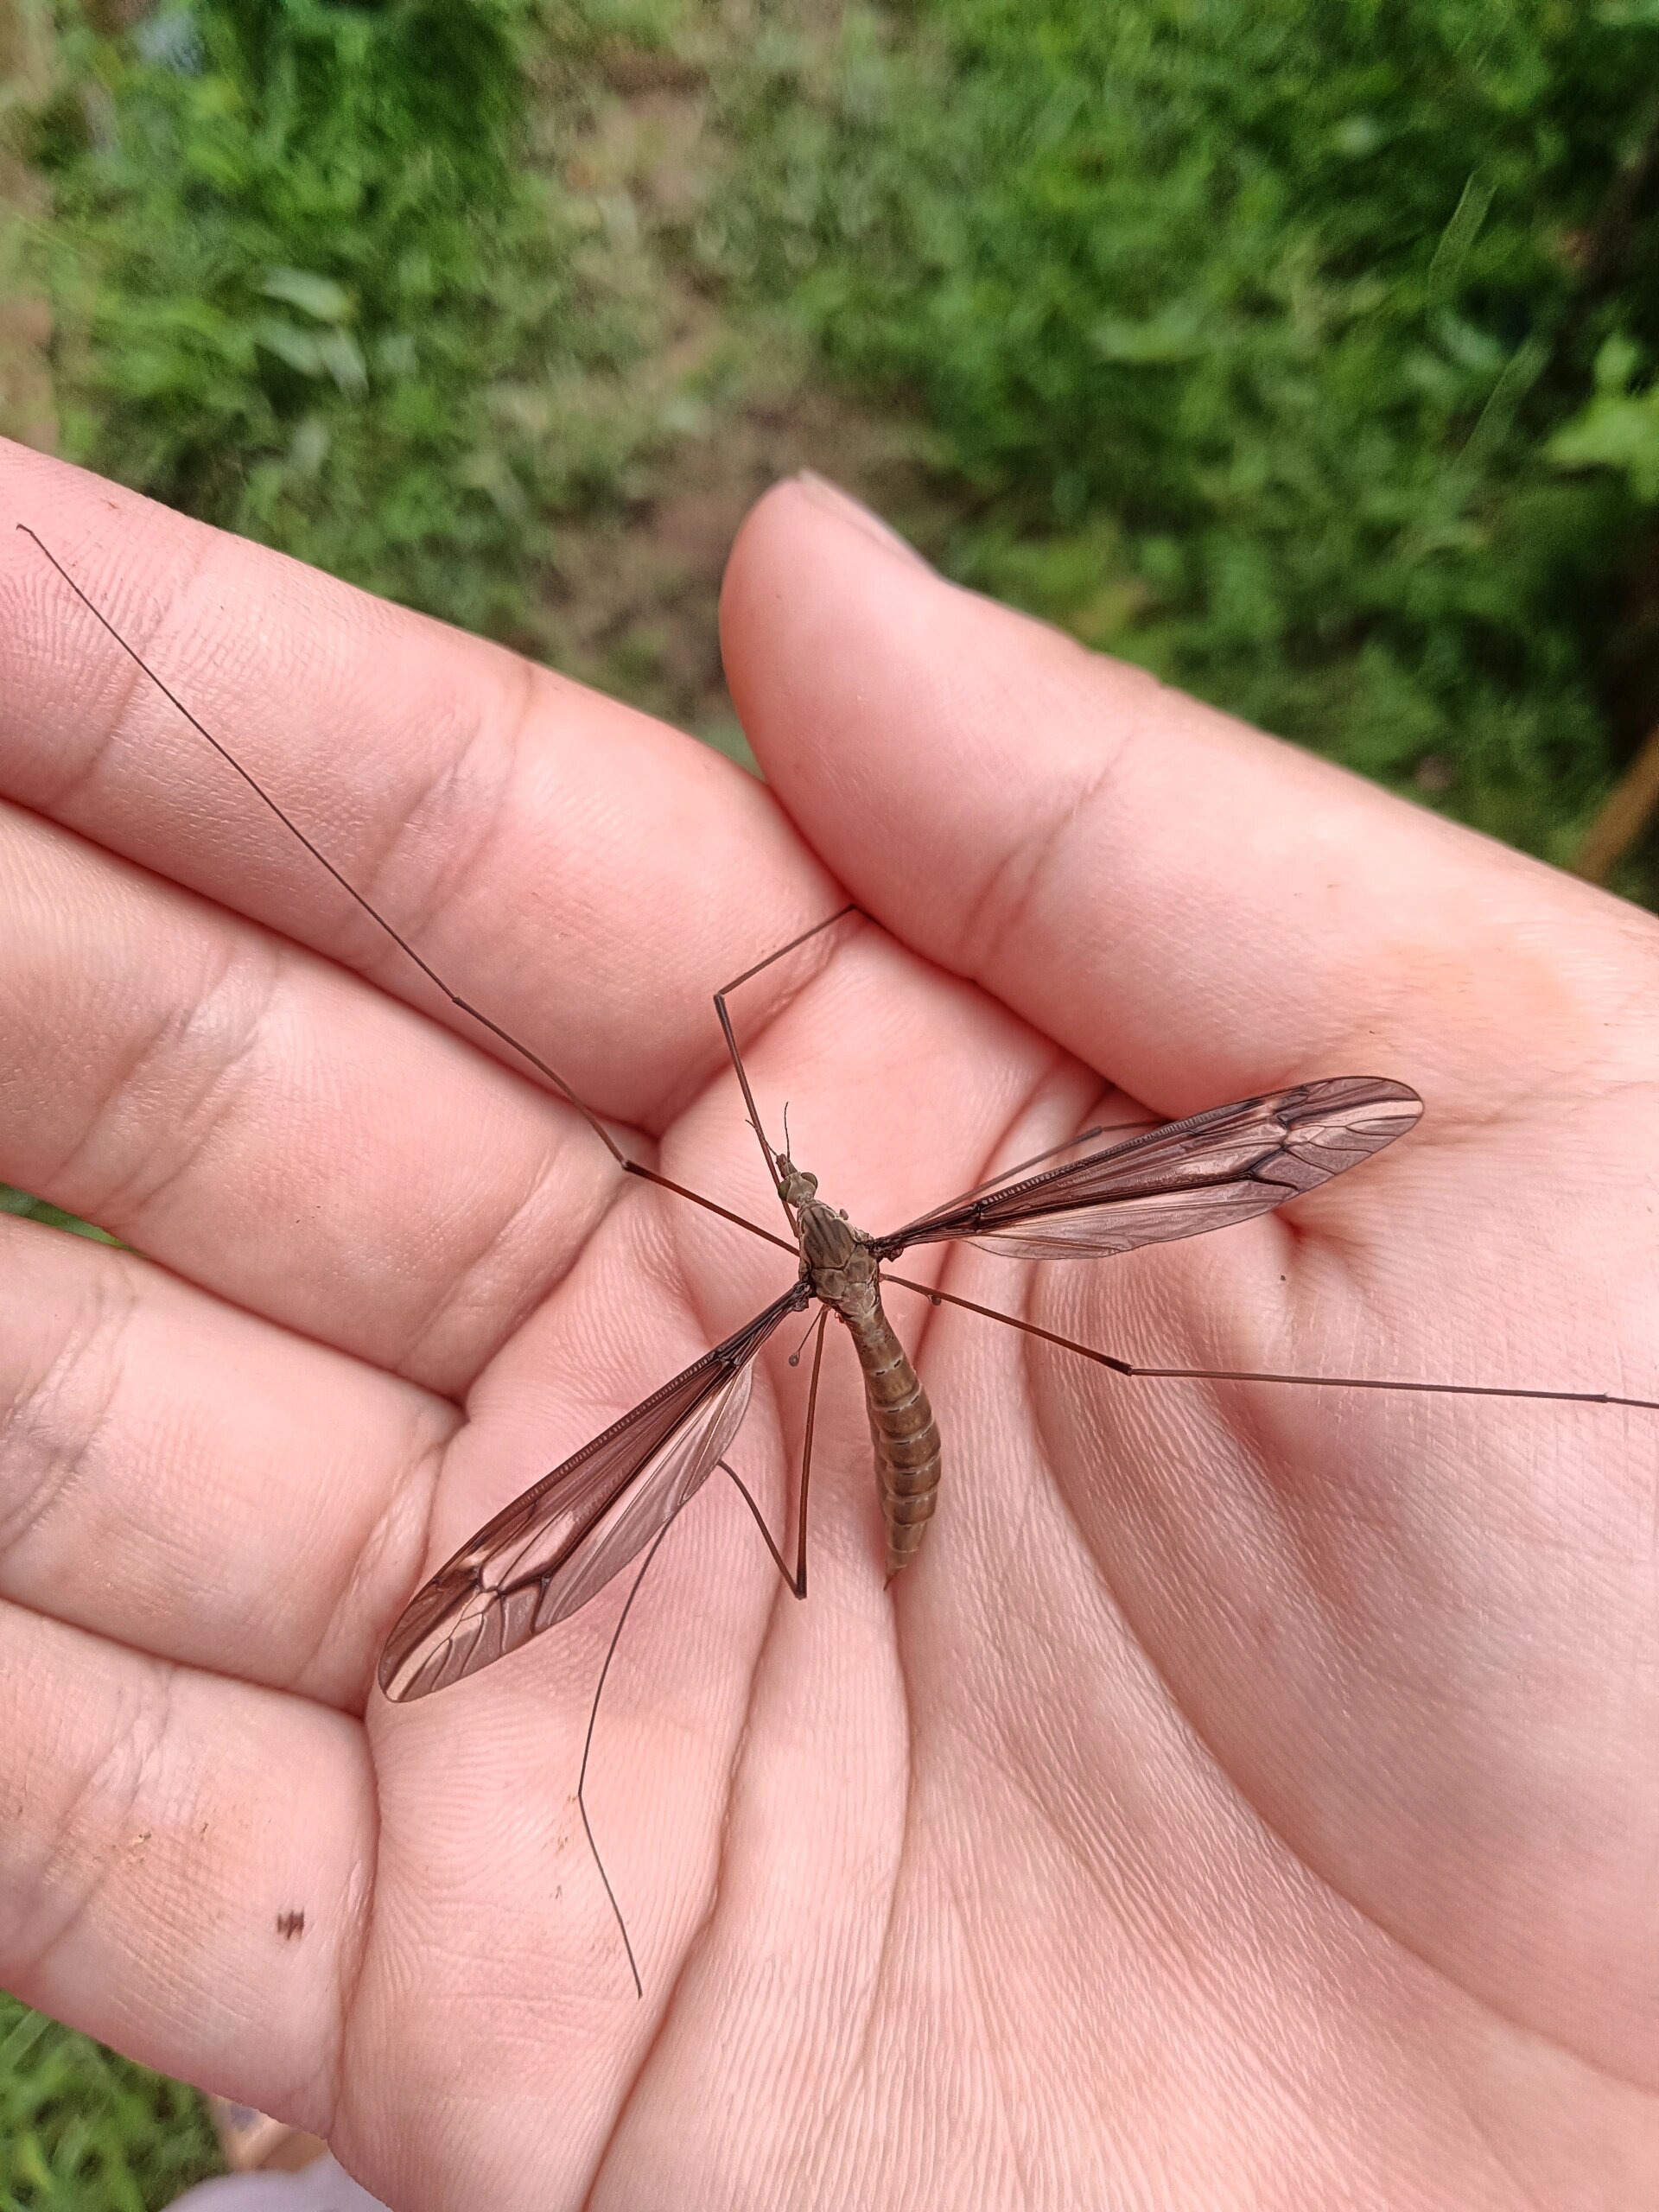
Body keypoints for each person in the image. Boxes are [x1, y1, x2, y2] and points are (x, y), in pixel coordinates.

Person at [2, 442, 1656, 2210]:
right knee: (1032, 1355)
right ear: (821, 1219)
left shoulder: (778, 1277)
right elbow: (1224, 1144)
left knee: (622, 1515)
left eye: (802, 1200)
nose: (800, 1200)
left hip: (819, 1389)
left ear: (800, 1221)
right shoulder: (892, 1237)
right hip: (890, 1335)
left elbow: (1237, 1143)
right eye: (804, 1203)